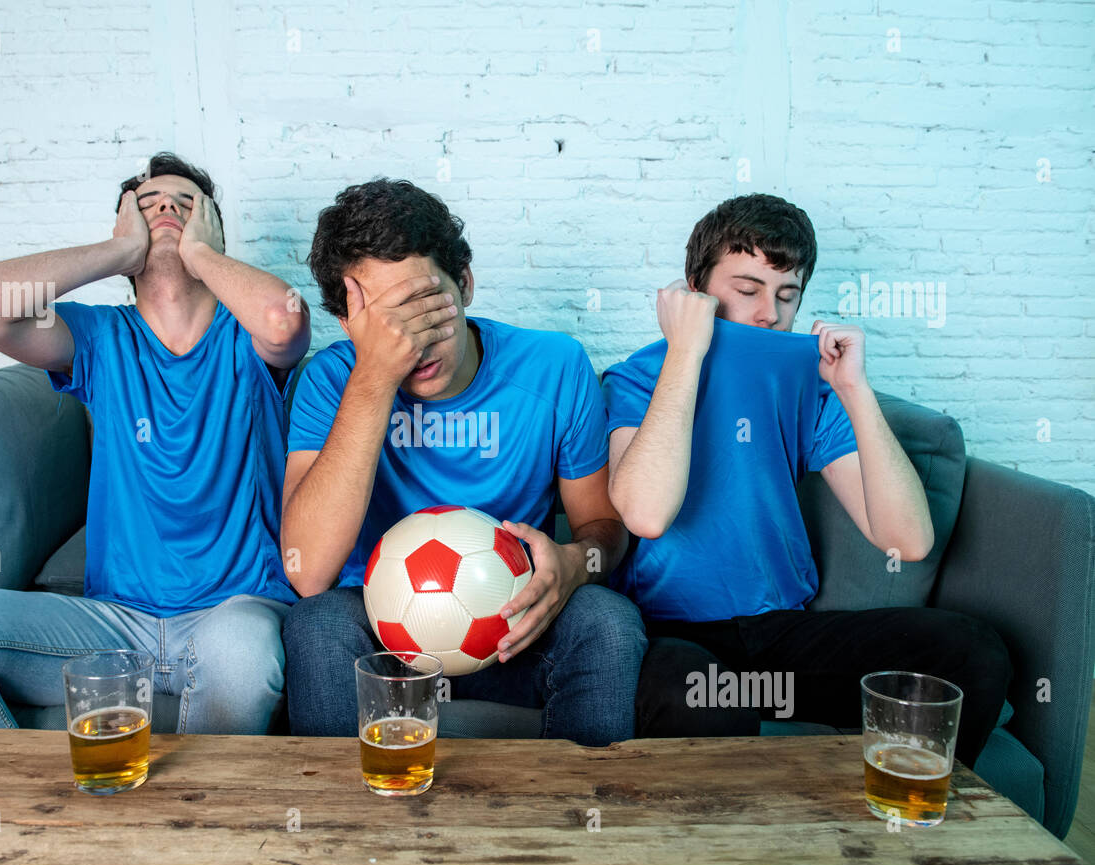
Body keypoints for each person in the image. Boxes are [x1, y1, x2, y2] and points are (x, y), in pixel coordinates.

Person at [0, 152, 310, 753]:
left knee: (239, 654)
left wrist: (203, 257)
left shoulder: (248, 338)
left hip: (232, 615)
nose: (167, 215)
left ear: (212, 233)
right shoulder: (101, 337)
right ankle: (24, 823)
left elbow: (286, 325)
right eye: (148, 206)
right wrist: (118, 253)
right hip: (113, 628)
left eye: (186, 207)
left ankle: (189, 836)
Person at [605, 193, 1010, 767]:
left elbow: (908, 542)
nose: (769, 312)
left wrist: (853, 389)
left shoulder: (809, 389)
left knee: (972, 652)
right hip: (673, 633)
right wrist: (685, 352)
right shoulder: (640, 378)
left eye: (786, 294)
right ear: (694, 287)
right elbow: (645, 513)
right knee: (695, 695)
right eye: (747, 290)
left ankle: (907, 830)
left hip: (780, 637)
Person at [281, 178, 646, 747]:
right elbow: (308, 572)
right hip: (382, 634)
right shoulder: (332, 381)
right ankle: (342, 830)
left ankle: (584, 822)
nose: (413, 344)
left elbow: (604, 532)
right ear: (349, 325)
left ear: (466, 283)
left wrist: (576, 563)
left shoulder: (554, 365)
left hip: (515, 625)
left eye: (424, 309)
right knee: (317, 623)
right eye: (385, 324)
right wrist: (374, 376)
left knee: (608, 619)